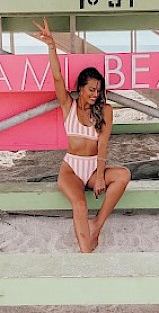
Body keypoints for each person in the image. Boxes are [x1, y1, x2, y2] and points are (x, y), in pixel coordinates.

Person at [32, 17, 131, 253]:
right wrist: (52, 47)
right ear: (81, 88)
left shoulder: (105, 110)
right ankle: (87, 255)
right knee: (79, 203)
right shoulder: (69, 105)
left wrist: (99, 177)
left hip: (94, 168)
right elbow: (57, 78)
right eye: (91, 89)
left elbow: (103, 144)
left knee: (123, 175)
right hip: (71, 168)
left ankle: (97, 225)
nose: (96, 94)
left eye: (99, 89)